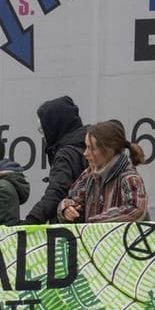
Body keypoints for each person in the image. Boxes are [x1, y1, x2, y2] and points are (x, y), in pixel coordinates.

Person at [61, 119, 150, 224]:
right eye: (86, 147)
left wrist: (97, 221)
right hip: (95, 238)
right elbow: (72, 199)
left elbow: (136, 210)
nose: (85, 153)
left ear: (107, 150)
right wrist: (66, 209)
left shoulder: (129, 178)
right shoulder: (88, 175)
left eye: (91, 148)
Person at [24, 96, 88, 226]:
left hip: (72, 227)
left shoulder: (65, 154)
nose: (43, 136)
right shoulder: (85, 145)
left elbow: (56, 193)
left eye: (43, 130)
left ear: (54, 126)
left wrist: (32, 220)